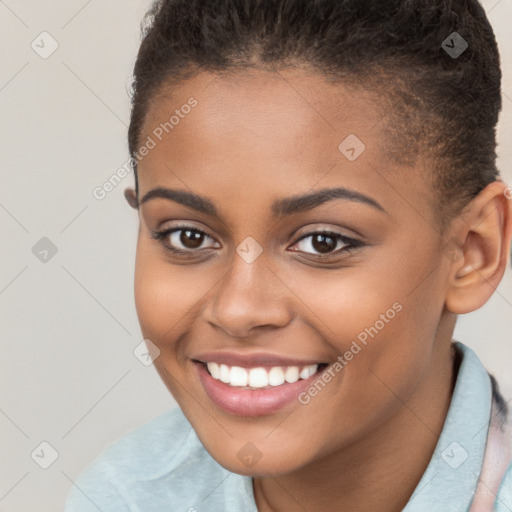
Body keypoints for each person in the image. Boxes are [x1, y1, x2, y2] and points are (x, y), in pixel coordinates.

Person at [65, 0, 512, 510]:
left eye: (324, 242)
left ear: (475, 251)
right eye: (188, 236)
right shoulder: (124, 496)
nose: (238, 310)